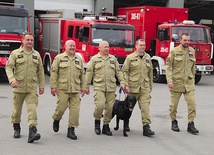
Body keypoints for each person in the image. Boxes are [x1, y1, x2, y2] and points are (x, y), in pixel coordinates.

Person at [5, 32, 45, 143]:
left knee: (32, 109)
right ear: (23, 41)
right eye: (27, 40)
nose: (30, 42)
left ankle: (32, 131)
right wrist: (12, 80)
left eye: (31, 40)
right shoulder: (15, 53)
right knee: (17, 111)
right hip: (18, 87)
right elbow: (9, 68)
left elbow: (41, 71)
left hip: (31, 88)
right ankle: (16, 127)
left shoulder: (36, 55)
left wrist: (41, 86)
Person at [85, 40, 125, 136]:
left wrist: (122, 82)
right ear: (100, 48)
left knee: (110, 108)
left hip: (111, 87)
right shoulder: (94, 59)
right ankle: (97, 121)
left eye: (108, 47)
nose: (107, 48)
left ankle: (106, 125)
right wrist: (85, 86)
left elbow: (118, 71)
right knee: (100, 105)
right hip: (99, 86)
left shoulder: (113, 59)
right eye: (105, 47)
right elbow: (89, 73)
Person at [50, 40, 86, 140]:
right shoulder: (59, 58)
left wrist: (84, 87)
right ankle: (56, 119)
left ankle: (71, 130)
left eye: (74, 46)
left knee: (75, 110)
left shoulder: (78, 59)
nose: (72, 48)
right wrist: (53, 86)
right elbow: (54, 73)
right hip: (63, 89)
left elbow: (82, 74)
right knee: (61, 109)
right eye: (70, 46)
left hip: (75, 89)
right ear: (65, 47)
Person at [166, 33, 199, 135]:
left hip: (188, 83)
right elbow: (168, 67)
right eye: (185, 40)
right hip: (176, 83)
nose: (187, 42)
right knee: (174, 106)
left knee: (192, 104)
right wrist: (169, 80)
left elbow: (193, 66)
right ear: (180, 40)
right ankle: (174, 121)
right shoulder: (174, 51)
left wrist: (192, 78)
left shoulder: (192, 51)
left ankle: (191, 123)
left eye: (188, 40)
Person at [123, 39, 155, 137]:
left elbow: (150, 72)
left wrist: (150, 85)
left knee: (145, 108)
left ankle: (146, 127)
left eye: (144, 45)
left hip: (144, 88)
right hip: (132, 88)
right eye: (140, 45)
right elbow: (125, 72)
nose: (142, 47)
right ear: (136, 46)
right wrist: (126, 84)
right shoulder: (130, 58)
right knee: (128, 109)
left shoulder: (148, 57)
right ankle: (126, 123)